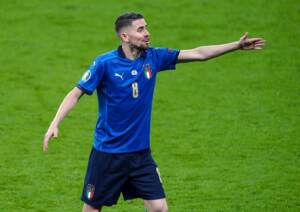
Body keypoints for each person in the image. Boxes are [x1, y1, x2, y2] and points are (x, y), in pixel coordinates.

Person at [43, 12, 265, 212]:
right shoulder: (105, 64)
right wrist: (55, 123)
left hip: (140, 155)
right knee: (92, 209)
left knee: (159, 208)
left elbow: (198, 53)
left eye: (146, 27)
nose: (147, 33)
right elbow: (75, 93)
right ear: (125, 37)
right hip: (108, 155)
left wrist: (235, 46)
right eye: (140, 30)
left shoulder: (154, 57)